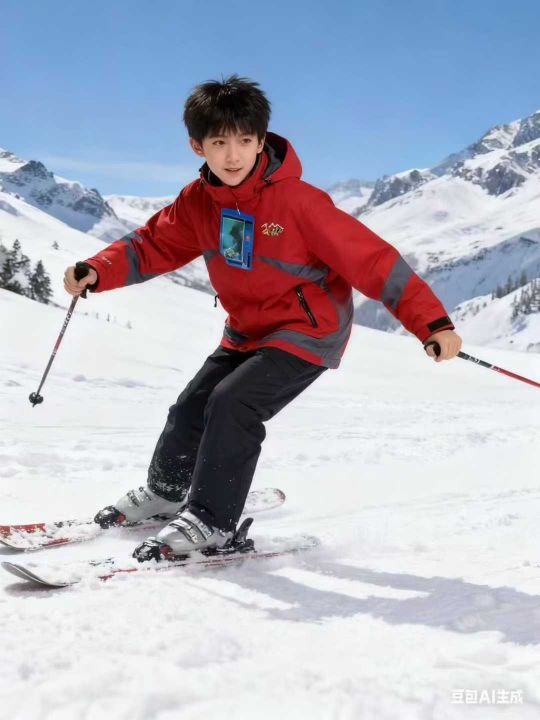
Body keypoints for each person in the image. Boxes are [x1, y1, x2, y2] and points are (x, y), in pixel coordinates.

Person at [64, 74, 462, 557]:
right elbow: (152, 245)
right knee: (190, 407)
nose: (233, 155)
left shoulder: (298, 202)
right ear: (197, 146)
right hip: (246, 330)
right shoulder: (199, 202)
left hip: (307, 331)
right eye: (219, 143)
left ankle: (212, 522)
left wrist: (433, 324)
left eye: (245, 141)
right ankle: (167, 493)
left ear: (260, 141)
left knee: (232, 403)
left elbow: (373, 262)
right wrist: (98, 269)